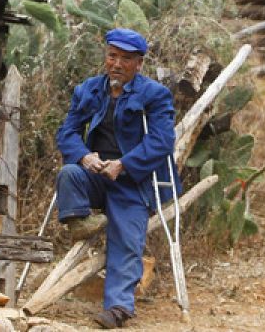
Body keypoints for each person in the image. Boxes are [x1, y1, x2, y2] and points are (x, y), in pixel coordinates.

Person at [55, 28, 180, 329]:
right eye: (112, 56)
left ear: (139, 63)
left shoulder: (154, 95)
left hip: (133, 181)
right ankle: (79, 222)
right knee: (69, 172)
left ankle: (118, 308)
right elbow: (67, 132)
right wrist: (84, 156)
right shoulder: (88, 90)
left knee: (126, 238)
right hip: (96, 176)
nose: (117, 64)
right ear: (106, 57)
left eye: (126, 59)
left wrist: (123, 164)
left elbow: (162, 141)